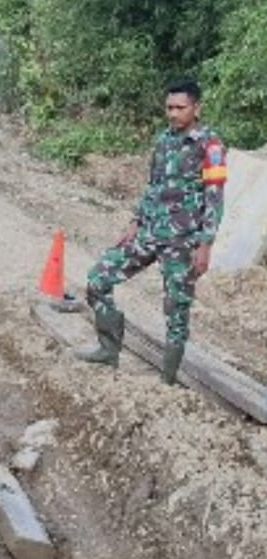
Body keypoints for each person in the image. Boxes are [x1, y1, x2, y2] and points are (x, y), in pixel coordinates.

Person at [76, 77, 227, 385]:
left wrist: (205, 244)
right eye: (169, 108)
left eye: (180, 108)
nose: (173, 113)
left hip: (182, 243)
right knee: (98, 278)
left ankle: (167, 380)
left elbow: (215, 196)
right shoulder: (164, 140)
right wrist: (135, 222)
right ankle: (108, 349)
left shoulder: (210, 145)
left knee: (176, 310)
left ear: (196, 108)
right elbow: (153, 187)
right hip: (149, 233)